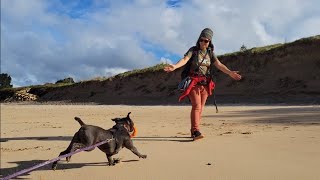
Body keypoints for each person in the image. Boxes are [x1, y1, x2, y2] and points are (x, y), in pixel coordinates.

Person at [164, 28, 242, 140]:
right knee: (197, 106)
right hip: (193, 82)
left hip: (205, 83)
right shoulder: (194, 50)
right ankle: (196, 130)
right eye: (202, 40)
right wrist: (175, 66)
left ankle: (194, 130)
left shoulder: (210, 53)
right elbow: (185, 59)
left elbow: (219, 65)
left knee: (200, 108)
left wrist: (230, 72)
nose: (203, 42)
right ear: (199, 40)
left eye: (206, 41)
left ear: (210, 42)